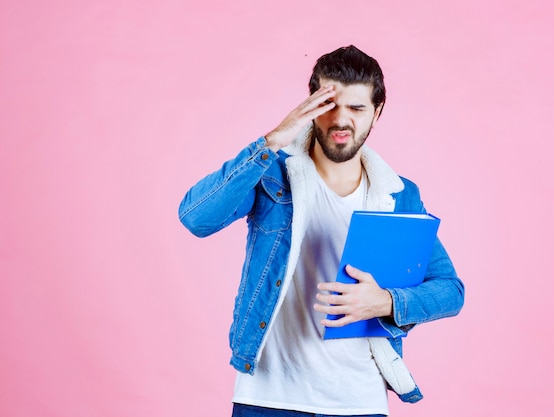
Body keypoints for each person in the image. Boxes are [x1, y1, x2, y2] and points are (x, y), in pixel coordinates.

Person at [179, 45, 464, 417]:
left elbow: (450, 290)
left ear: (377, 113)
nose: (341, 120)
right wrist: (271, 142)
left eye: (357, 108)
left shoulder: (399, 195)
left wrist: (386, 302)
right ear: (311, 105)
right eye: (330, 105)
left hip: (359, 401)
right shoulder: (272, 175)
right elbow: (195, 217)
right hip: (268, 397)